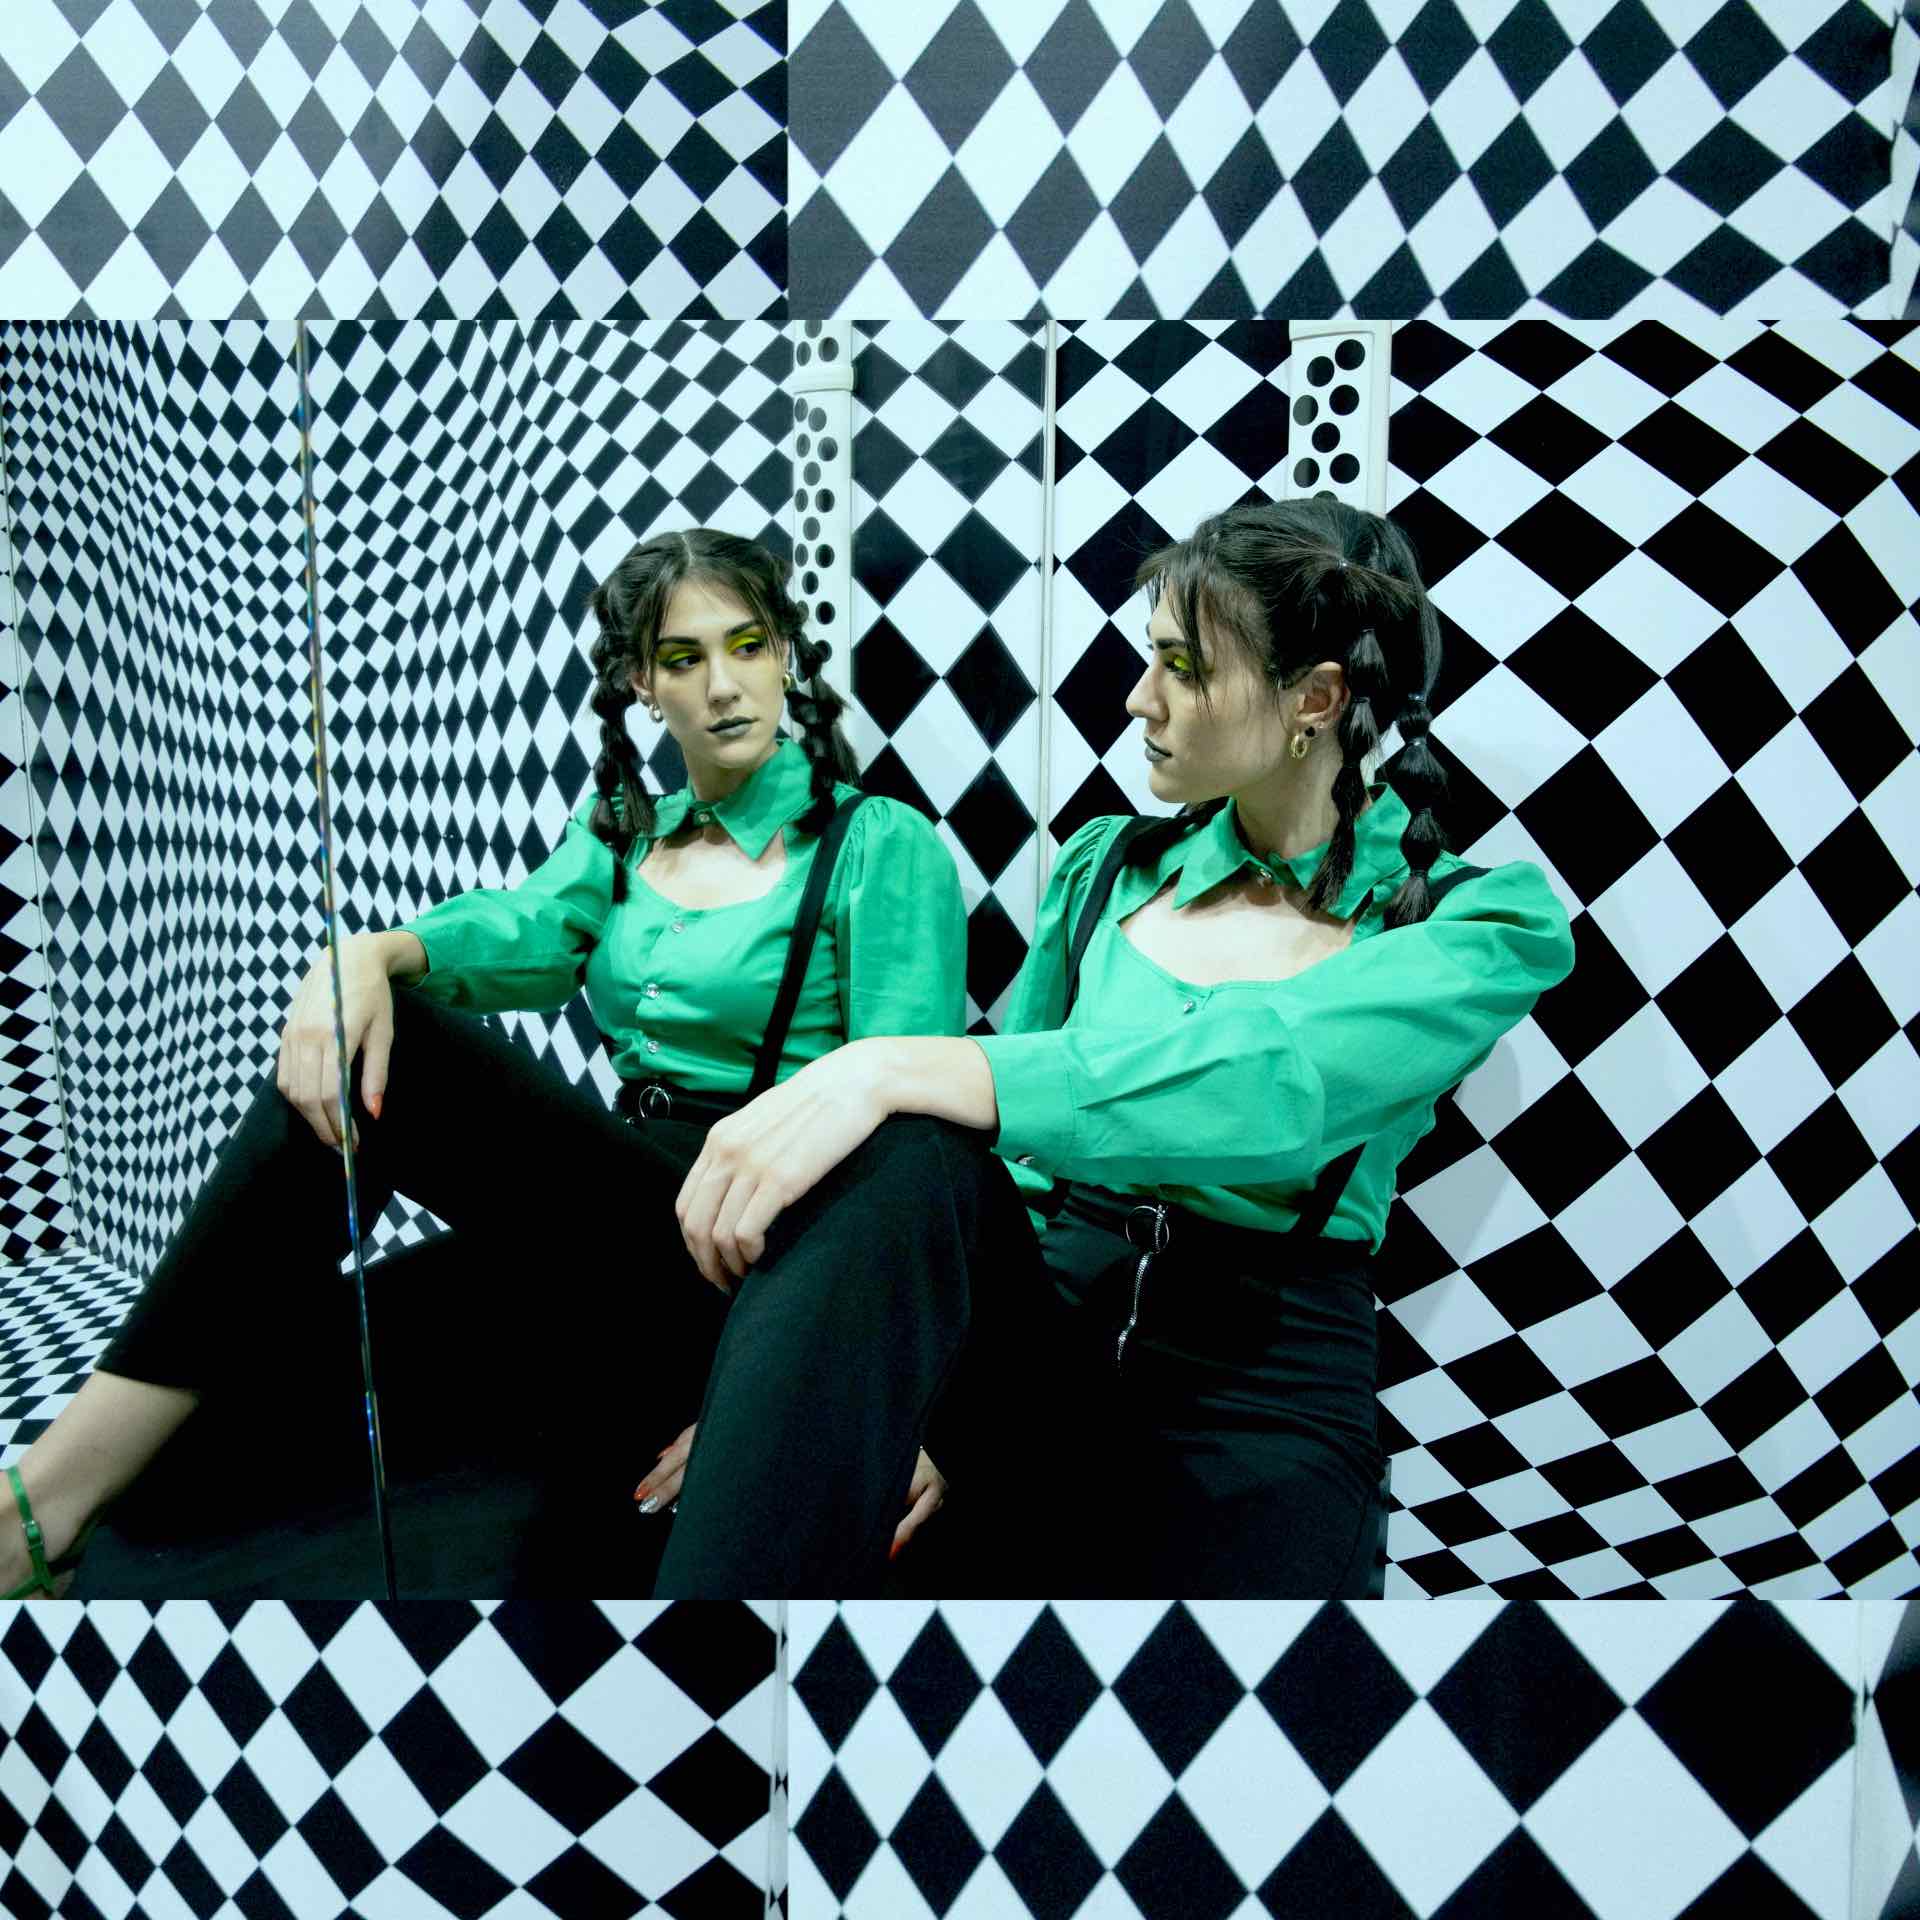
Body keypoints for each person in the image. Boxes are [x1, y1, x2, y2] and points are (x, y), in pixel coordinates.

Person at [2, 528, 972, 1600]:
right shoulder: (623, 835)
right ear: (643, 683)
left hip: (761, 1256)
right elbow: (526, 928)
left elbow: (912, 1142)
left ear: (785, 652)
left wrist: (839, 1396)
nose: (723, 685)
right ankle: (69, 1518)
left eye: (747, 645)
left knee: (405, 1056)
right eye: (683, 658)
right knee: (285, 1366)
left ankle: (35, 1511)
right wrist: (371, 954)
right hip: (614, 1226)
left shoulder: (877, 843)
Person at [656, 498, 1577, 1597]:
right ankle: (699, 1678)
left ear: (1316, 699)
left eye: (1183, 667)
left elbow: (1269, 1079)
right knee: (911, 1156)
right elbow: (1011, 1176)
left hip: (1260, 1389)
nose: (1140, 697)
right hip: (1042, 1347)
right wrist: (885, 1408)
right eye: (1153, 659)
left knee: (1223, 1690)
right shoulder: (1107, 867)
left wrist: (896, 1064)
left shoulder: (1480, 923)